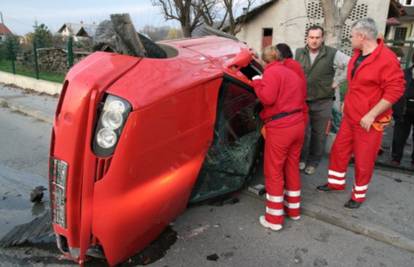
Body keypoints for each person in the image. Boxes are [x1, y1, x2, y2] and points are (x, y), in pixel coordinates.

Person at [316, 18, 404, 209]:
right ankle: (336, 183)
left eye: (352, 35)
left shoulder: (386, 59)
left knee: (364, 160)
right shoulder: (358, 54)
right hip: (351, 116)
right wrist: (347, 101)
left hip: (369, 121)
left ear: (362, 36)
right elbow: (355, 84)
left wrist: (372, 115)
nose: (350, 38)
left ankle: (358, 195)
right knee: (339, 151)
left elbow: (395, 91)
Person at [251, 46, 306, 231]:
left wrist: (257, 82)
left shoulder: (271, 73)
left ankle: (274, 219)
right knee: (291, 167)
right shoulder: (291, 73)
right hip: (298, 125)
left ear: (266, 62)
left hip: (281, 128)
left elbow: (267, 98)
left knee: (274, 171)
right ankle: (294, 210)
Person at [295, 25, 349, 175]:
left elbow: (350, 64)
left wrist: (338, 80)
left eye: (317, 38)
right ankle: (302, 159)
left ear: (322, 38)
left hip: (323, 101)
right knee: (303, 133)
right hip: (303, 101)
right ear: (307, 38)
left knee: (319, 135)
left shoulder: (332, 53)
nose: (314, 41)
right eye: (311, 37)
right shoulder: (299, 52)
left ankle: (313, 162)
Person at [391, 54, 414, 167]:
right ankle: (396, 158)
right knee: (400, 134)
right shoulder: (404, 73)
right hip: (404, 108)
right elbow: (396, 90)